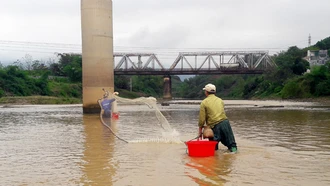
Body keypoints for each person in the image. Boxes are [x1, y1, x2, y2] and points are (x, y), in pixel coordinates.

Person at [198, 83, 237, 152]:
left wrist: (200, 131)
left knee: (213, 148)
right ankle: (234, 156)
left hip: (214, 126)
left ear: (206, 92)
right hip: (225, 123)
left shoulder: (204, 102)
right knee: (232, 145)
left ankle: (215, 160)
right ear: (214, 92)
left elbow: (202, 119)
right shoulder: (220, 100)